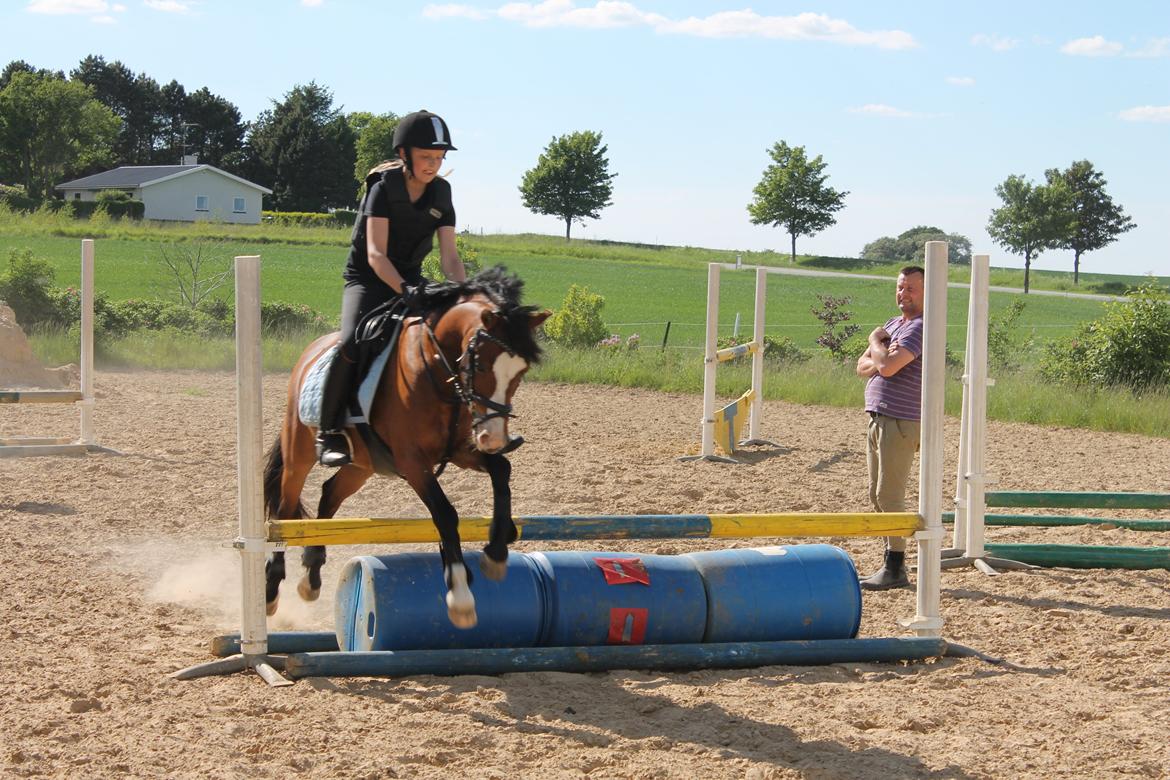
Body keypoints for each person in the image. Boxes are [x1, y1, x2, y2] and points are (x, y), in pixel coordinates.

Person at [316, 109, 466, 467]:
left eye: (438, 158)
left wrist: (465, 294)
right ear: (404, 155)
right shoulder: (382, 191)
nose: (433, 164)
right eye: (426, 157)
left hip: (410, 280)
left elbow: (450, 259)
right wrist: (404, 289)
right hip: (368, 279)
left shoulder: (442, 194)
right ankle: (329, 432)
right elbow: (375, 254)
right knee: (352, 341)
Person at [855, 265, 925, 590]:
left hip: (900, 420)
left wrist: (875, 342)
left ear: (926, 291)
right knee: (875, 494)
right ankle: (890, 561)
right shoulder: (895, 325)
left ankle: (896, 567)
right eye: (900, 287)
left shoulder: (919, 328)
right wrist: (881, 357)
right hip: (878, 417)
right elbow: (862, 366)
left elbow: (886, 366)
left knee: (889, 494)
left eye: (910, 288)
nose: (903, 293)